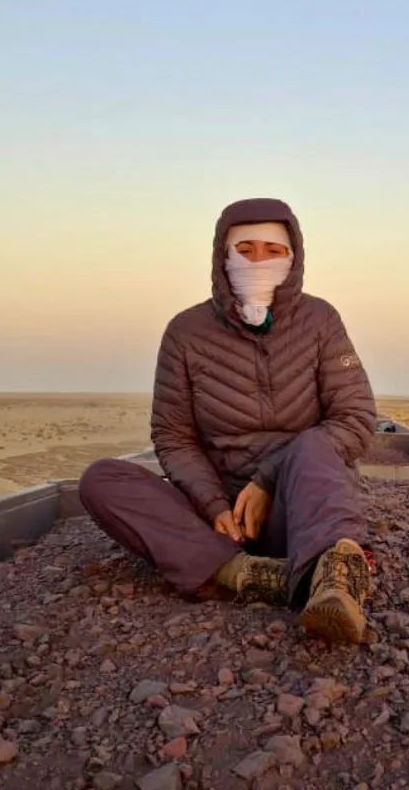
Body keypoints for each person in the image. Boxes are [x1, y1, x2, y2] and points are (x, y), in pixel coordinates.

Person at [79, 197, 376, 643]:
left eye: (273, 251)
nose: (258, 261)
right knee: (101, 479)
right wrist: (214, 504)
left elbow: (354, 417)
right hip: (218, 519)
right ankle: (244, 573)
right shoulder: (186, 331)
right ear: (223, 254)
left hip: (297, 506)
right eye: (246, 249)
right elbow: (173, 435)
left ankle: (335, 579)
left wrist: (266, 482)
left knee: (316, 445)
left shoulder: (320, 320)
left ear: (293, 257)